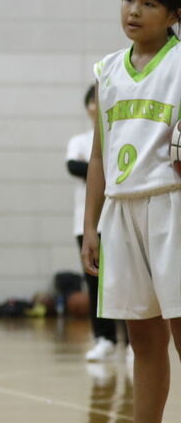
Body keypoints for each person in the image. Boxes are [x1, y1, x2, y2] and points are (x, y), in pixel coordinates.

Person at [82, 0, 181, 423]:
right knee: (143, 340)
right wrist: (91, 224)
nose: (134, 11)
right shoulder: (108, 71)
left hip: (172, 205)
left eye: (148, 2)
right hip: (121, 210)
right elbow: (100, 154)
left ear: (174, 14)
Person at [68, 84, 127, 363]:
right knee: (94, 284)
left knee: (125, 282)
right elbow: (73, 166)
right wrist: (101, 166)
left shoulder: (122, 135)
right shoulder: (79, 141)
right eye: (92, 101)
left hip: (118, 218)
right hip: (87, 223)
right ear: (88, 107)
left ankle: (131, 344)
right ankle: (104, 339)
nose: (96, 104)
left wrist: (95, 167)